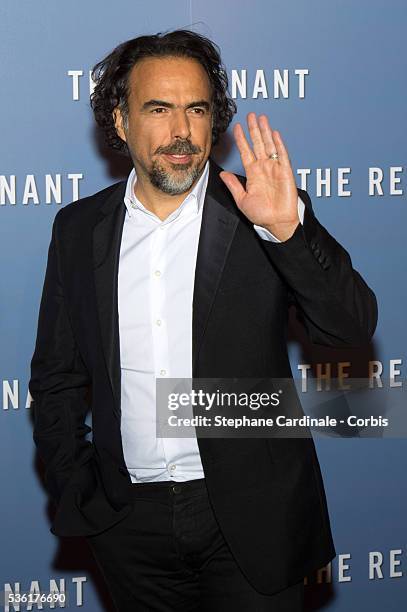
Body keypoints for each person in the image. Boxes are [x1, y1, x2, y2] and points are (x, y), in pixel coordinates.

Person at [29, 29, 377, 611]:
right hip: (127, 523)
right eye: (158, 109)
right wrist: (78, 485)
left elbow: (350, 327)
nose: (180, 132)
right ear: (120, 122)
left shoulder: (261, 213)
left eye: (197, 109)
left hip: (250, 521)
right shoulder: (77, 229)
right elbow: (57, 377)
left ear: (214, 122)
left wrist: (286, 231)